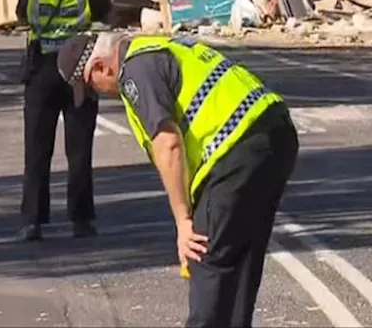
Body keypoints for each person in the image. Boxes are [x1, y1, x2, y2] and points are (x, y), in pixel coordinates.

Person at [78, 32, 298, 328]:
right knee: (240, 259)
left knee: (204, 254)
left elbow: (168, 143)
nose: (99, 95)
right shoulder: (157, 47)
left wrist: (183, 222)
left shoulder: (134, 72)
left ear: (102, 67)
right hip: (274, 133)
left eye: (92, 89)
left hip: (235, 150)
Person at [13, 0, 113, 241]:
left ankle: (32, 222)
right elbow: (108, 16)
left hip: (41, 74)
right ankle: (81, 220)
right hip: (78, 75)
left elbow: (21, 17)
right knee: (80, 151)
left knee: (37, 151)